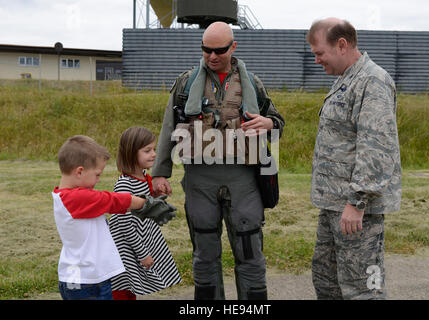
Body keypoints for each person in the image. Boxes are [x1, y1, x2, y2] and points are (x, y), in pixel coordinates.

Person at [151, 21, 285, 300]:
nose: (212, 56)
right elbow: (167, 128)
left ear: (233, 47)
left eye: (219, 50)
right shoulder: (186, 83)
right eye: (206, 50)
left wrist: (268, 123)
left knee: (250, 251)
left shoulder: (252, 84)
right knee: (204, 253)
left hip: (244, 180)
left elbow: (278, 122)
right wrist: (160, 173)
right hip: (200, 180)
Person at [307, 18, 402, 300]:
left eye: (319, 53)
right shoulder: (345, 80)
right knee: (327, 281)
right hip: (334, 205)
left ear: (342, 45)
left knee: (363, 289)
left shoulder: (371, 81)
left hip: (356, 211)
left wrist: (357, 201)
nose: (316, 60)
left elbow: (376, 146)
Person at [52, 135, 175, 300]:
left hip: (93, 278)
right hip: (84, 283)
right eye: (97, 174)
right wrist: (145, 204)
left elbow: (109, 203)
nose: (99, 179)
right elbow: (114, 200)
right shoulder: (73, 198)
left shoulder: (71, 197)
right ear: (79, 171)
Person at [109, 127, 181, 300]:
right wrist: (143, 253)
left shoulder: (143, 176)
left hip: (141, 238)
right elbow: (124, 224)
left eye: (154, 149)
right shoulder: (125, 186)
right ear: (131, 153)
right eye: (147, 150)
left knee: (132, 287)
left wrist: (157, 196)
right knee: (123, 286)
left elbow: (146, 203)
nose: (154, 154)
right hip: (126, 247)